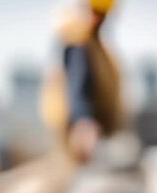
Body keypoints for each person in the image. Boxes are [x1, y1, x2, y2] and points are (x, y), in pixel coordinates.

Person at [41, 0, 123, 163]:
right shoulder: (79, 45)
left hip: (91, 135)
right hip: (83, 136)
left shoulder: (92, 44)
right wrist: (83, 123)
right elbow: (78, 85)